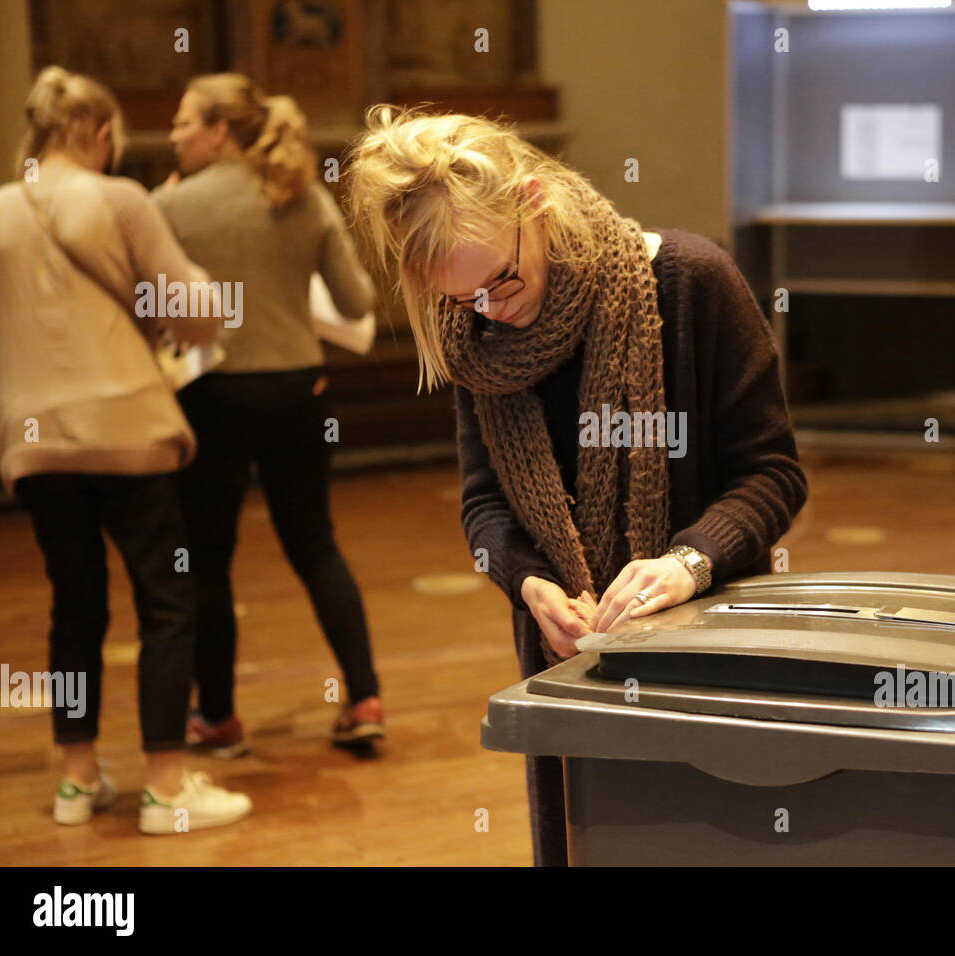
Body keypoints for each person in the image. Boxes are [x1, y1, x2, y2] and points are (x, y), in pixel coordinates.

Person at [346, 107, 808, 865]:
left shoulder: (689, 282)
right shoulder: (475, 338)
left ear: (534, 201)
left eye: (501, 279)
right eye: (462, 300)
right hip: (567, 663)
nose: (491, 310)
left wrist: (687, 563)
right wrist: (528, 583)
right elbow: (484, 505)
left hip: (709, 651)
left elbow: (774, 474)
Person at [0, 66, 252, 833]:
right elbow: (194, 311)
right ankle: (166, 788)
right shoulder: (120, 198)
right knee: (166, 604)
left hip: (32, 444)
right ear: (101, 135)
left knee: (74, 606)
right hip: (125, 434)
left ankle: (77, 779)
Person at [153, 75, 383, 756]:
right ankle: (365, 697)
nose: (173, 134)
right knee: (315, 544)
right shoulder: (301, 194)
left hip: (213, 393)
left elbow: (151, 304)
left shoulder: (170, 206)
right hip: (298, 392)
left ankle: (218, 718)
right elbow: (358, 299)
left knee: (209, 557)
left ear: (220, 129)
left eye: (184, 122)